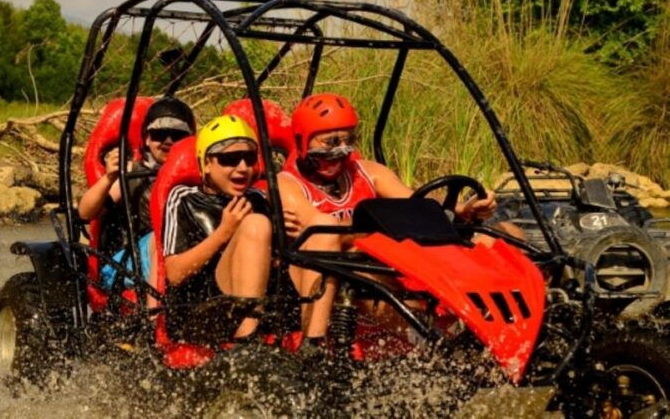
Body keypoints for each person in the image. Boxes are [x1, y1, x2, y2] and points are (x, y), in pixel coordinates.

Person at [278, 93, 504, 340]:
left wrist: (462, 209)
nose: (340, 151)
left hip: (383, 265)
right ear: (303, 141)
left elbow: (414, 203)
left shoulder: (369, 173)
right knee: (354, 265)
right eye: (330, 142)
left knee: (494, 238)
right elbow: (323, 234)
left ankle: (494, 326)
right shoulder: (288, 185)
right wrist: (378, 225)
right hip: (327, 278)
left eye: (347, 140)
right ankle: (420, 340)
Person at [162, 115, 272, 343]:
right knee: (256, 224)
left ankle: (319, 342)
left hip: (259, 304)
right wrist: (224, 232)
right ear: (207, 164)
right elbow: (174, 274)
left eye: (249, 158)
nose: (243, 168)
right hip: (202, 310)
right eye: (229, 159)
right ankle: (247, 341)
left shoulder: (259, 198)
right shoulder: (184, 198)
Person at [79, 96, 195, 291]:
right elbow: (86, 213)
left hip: (180, 256)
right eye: (160, 134)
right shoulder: (131, 172)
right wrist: (109, 178)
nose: (168, 141)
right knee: (160, 240)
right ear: (147, 139)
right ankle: (155, 315)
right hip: (130, 261)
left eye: (177, 135)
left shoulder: (201, 175)